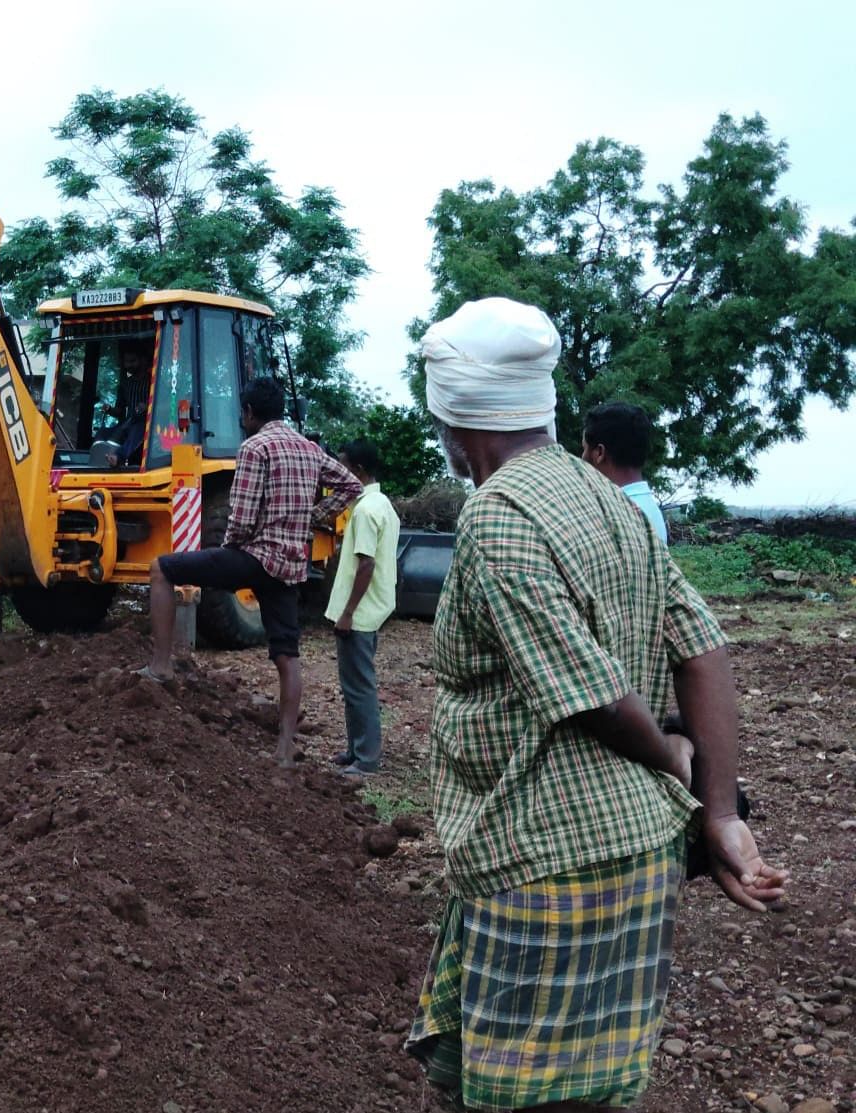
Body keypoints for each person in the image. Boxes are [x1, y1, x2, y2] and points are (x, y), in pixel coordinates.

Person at [405, 297, 786, 1112]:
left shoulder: (497, 519)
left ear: (452, 419)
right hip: (634, 850)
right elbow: (703, 646)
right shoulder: (612, 499)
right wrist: (717, 811)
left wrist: (677, 758)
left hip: (542, 857)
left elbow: (594, 701)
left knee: (522, 1094)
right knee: (567, 1087)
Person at [141, 376, 363, 766]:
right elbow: (350, 485)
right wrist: (314, 517)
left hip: (253, 558)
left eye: (242, 413)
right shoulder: (309, 450)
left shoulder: (255, 448)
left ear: (248, 412)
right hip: (289, 568)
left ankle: (160, 666)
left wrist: (228, 550)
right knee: (287, 655)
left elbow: (241, 518)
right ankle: (283, 750)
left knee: (161, 569)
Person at [323, 439, 400, 776]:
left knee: (359, 686)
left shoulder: (367, 511)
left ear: (358, 470)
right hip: (371, 608)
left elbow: (365, 565)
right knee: (354, 684)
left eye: (344, 466)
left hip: (361, 613)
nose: (341, 473)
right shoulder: (381, 504)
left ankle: (366, 759)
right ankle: (356, 750)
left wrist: (348, 612)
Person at [582, 401, 669, 544]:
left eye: (584, 448)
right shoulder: (649, 510)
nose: (582, 457)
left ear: (599, 453)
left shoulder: (612, 518)